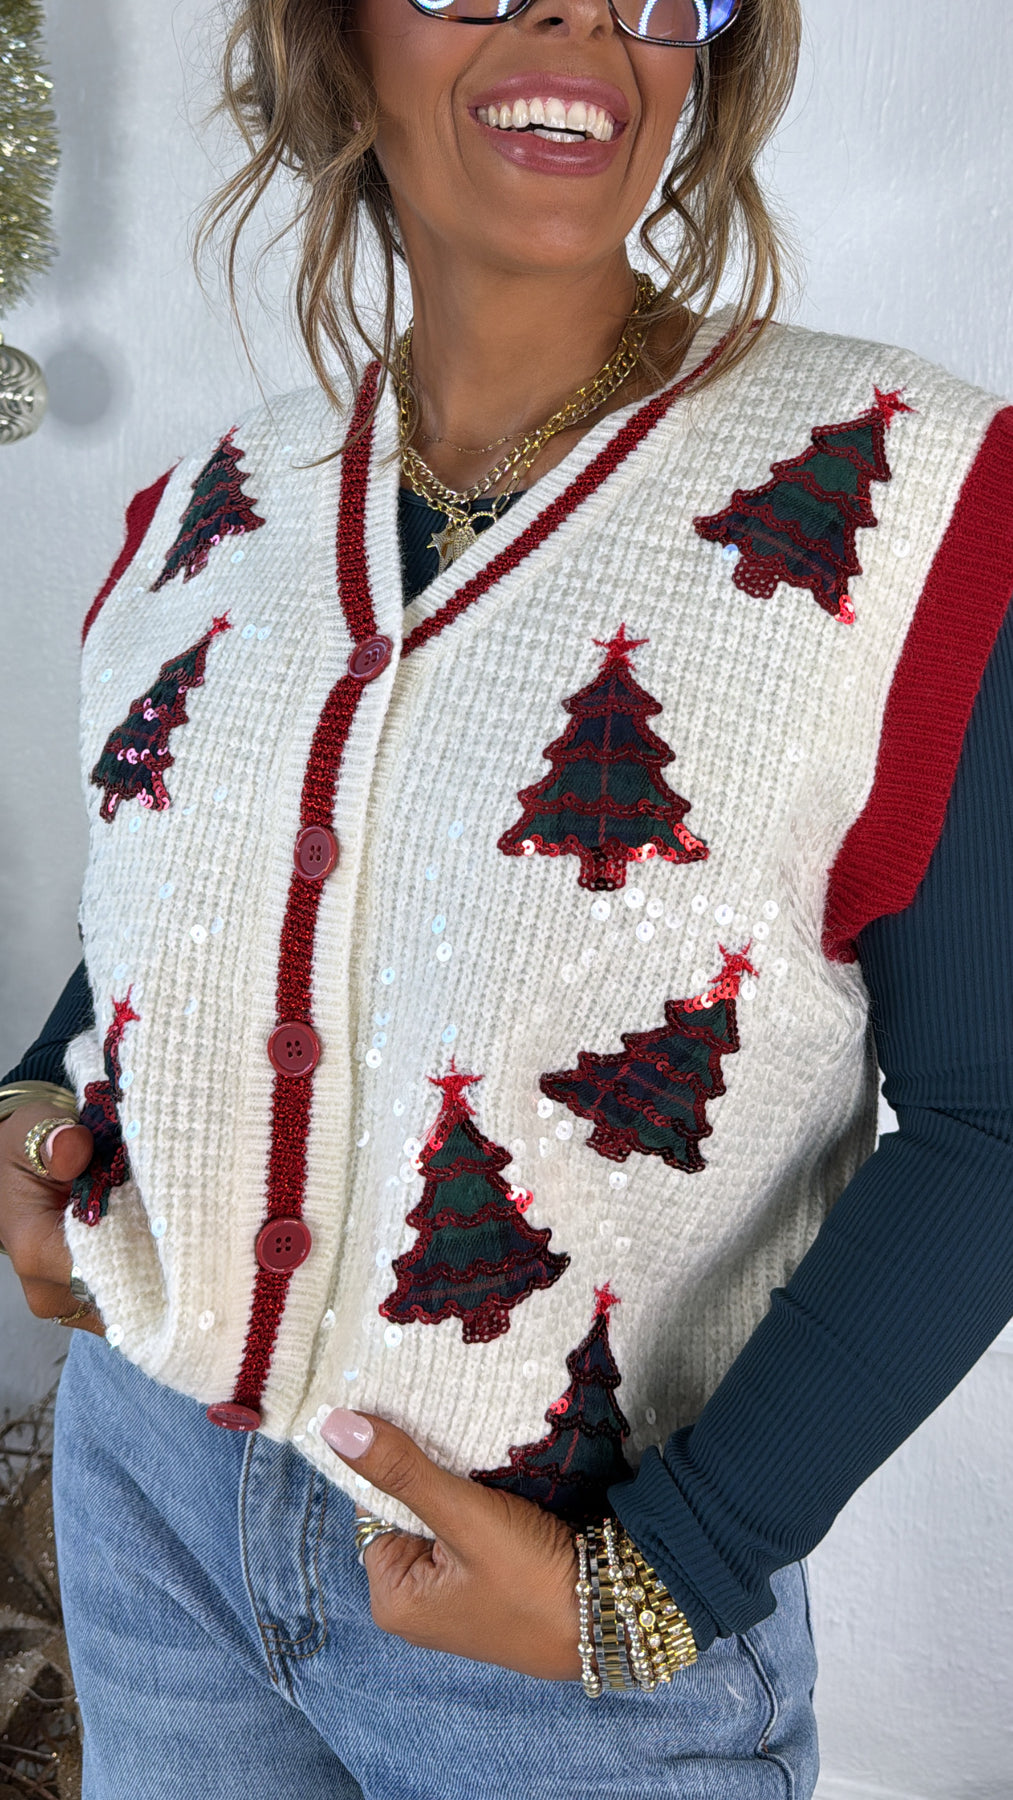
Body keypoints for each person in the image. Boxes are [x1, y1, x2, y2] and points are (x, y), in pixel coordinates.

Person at [1, 0, 1011, 1793]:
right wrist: (34, 1097)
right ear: (334, 39)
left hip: (562, 1602)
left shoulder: (916, 500)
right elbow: (174, 914)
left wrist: (667, 1573)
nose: (574, 20)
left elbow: (990, 1113)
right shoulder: (200, 515)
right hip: (148, 1497)